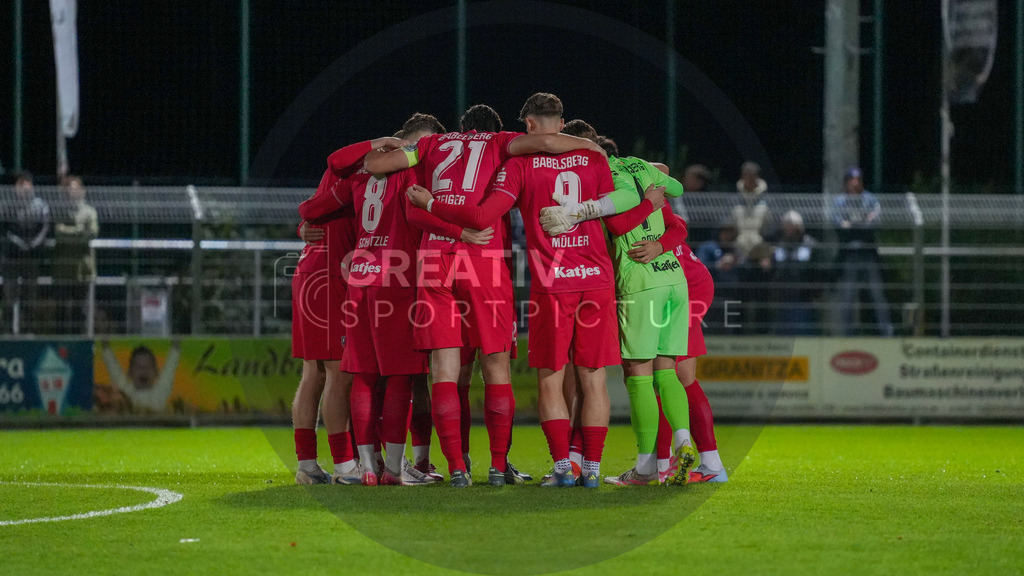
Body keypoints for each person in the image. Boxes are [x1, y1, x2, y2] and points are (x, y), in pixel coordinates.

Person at [364, 102, 605, 488]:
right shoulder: (500, 142)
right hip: (485, 260)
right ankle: (497, 467)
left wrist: (399, 149)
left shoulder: (431, 146)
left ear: (460, 127)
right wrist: (590, 147)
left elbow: (376, 167)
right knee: (495, 367)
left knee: (444, 373)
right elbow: (544, 141)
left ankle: (458, 469)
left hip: (433, 260)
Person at [300, 113, 461, 486]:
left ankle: (367, 468)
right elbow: (422, 220)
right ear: (407, 146)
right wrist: (464, 228)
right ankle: (393, 469)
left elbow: (311, 209)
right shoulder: (414, 176)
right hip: (398, 279)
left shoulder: (359, 176)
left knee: (364, 376)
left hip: (360, 279)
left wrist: (307, 225)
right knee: (401, 378)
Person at [290, 135, 408, 485]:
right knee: (338, 373)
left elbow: (311, 209)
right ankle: (344, 465)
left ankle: (308, 465)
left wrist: (304, 224)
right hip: (329, 278)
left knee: (315, 375)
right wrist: (382, 141)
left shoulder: (340, 178)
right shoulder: (360, 177)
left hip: (312, 273)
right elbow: (334, 161)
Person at [832, 167, 893, 337]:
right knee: (847, 296)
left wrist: (852, 224)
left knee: (877, 294)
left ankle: (886, 332)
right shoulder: (840, 201)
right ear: (846, 182)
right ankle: (846, 334)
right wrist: (859, 224)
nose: (856, 183)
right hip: (849, 254)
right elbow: (837, 224)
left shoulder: (871, 199)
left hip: (868, 253)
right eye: (852, 179)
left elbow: (874, 223)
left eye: (858, 179)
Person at [3, 171, 50, 334]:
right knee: (9, 296)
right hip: (10, 257)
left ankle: (28, 330)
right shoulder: (6, 204)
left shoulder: (40, 206)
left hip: (31, 258)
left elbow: (44, 228)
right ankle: (7, 331)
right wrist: (17, 242)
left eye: (26, 183)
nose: (23, 187)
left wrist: (32, 244)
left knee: (30, 296)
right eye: (19, 183)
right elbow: (4, 229)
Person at [53, 176, 99, 334]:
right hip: (63, 270)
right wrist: (80, 231)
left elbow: (92, 232)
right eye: (68, 189)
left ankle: (82, 341)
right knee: (62, 310)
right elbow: (59, 233)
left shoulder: (89, 211)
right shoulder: (59, 210)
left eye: (74, 188)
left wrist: (70, 232)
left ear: (81, 190)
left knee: (81, 310)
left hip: (83, 270)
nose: (71, 191)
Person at [771, 210, 821, 335]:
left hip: (803, 298)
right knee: (782, 334)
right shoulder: (779, 245)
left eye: (791, 227)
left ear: (799, 227)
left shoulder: (810, 245)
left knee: (803, 333)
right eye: (786, 227)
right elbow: (774, 268)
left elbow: (817, 270)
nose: (789, 230)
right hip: (782, 298)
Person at [99, 341, 180, 412]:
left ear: (156, 373)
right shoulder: (126, 393)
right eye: (138, 366)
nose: (143, 370)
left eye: (148, 366)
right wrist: (105, 346)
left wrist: (176, 344)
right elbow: (113, 367)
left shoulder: (160, 392)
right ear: (129, 373)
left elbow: (171, 366)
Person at [732, 161, 769, 258]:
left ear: (757, 177)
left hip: (760, 247)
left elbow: (771, 227)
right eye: (746, 176)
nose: (749, 179)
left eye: (752, 176)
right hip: (737, 247)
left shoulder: (766, 198)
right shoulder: (735, 199)